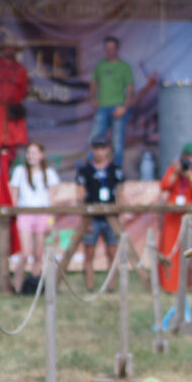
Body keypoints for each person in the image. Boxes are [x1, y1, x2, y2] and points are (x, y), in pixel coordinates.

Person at [158, 142, 192, 293]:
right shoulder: (174, 169)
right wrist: (175, 172)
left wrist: (190, 176)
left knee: (188, 251)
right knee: (169, 251)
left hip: (189, 218)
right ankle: (169, 286)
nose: (189, 161)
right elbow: (164, 185)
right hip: (172, 217)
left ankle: (188, 285)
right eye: (186, 157)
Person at [10, 142, 60, 293]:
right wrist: (14, 214)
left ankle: (33, 285)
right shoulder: (20, 171)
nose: (31, 156)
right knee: (25, 252)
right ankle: (16, 285)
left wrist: (51, 220)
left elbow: (52, 200)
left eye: (34, 153)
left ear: (42, 155)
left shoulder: (49, 173)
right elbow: (14, 194)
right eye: (29, 153)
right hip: (25, 213)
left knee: (38, 254)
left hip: (42, 214)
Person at [76, 138, 125, 291]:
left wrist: (120, 216)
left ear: (107, 150)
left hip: (111, 217)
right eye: (96, 148)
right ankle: (90, 287)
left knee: (112, 252)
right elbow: (80, 196)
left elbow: (121, 194)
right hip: (92, 218)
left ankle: (111, 287)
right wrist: (84, 219)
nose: (99, 152)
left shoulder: (115, 169)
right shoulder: (85, 170)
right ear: (92, 150)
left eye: (102, 148)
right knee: (89, 253)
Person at [0, 37, 29, 179]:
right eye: (6, 47)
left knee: (11, 146)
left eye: (12, 48)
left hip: (12, 111)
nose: (9, 50)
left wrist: (13, 103)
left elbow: (23, 90)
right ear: (2, 50)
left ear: (15, 50)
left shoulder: (21, 70)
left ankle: (5, 179)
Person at [88, 36, 134, 169]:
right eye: (107, 48)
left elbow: (130, 89)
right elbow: (93, 83)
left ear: (117, 49)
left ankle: (116, 172)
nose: (110, 51)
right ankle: (90, 170)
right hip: (102, 107)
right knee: (93, 139)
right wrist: (92, 99)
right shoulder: (100, 65)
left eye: (112, 48)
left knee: (117, 142)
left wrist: (124, 107)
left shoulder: (124, 67)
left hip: (118, 107)